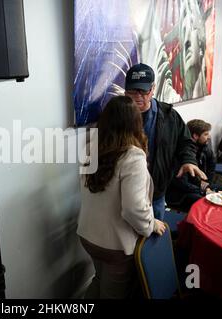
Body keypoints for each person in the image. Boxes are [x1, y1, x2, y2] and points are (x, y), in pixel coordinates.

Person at [77, 95, 167, 299]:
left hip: (88, 235)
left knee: (99, 280)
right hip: (114, 245)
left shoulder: (92, 148)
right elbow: (133, 209)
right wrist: (152, 224)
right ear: (135, 122)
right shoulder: (132, 156)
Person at [123, 63, 206, 220]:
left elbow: (186, 142)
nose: (137, 96)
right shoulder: (117, 116)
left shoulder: (169, 116)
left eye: (143, 90)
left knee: (155, 240)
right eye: (132, 91)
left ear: (153, 88)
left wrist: (188, 160)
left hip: (157, 193)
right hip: (126, 195)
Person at [166, 120, 222, 212]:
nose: (209, 137)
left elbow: (211, 167)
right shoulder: (180, 154)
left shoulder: (204, 148)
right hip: (180, 194)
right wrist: (203, 190)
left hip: (197, 186)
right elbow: (182, 184)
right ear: (195, 136)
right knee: (211, 205)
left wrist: (207, 184)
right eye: (205, 134)